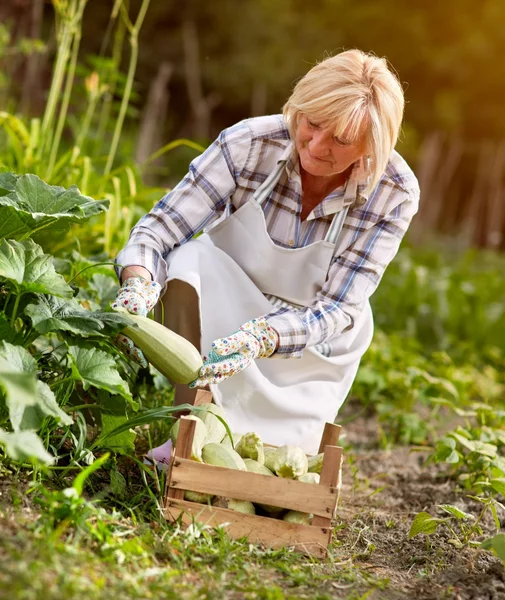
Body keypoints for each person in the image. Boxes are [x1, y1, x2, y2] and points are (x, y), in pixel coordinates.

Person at [112, 49, 420, 463]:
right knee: (188, 261)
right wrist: (138, 283)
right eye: (312, 123)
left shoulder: (393, 194)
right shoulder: (250, 144)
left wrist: (264, 336)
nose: (316, 145)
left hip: (310, 340)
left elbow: (337, 308)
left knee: (276, 460)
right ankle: (190, 421)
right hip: (229, 305)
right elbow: (160, 229)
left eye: (341, 141)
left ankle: (258, 436)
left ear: (370, 145)